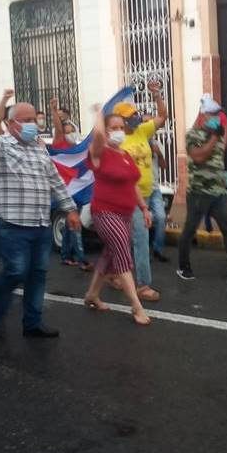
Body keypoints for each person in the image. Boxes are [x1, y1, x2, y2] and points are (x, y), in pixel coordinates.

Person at [0, 98, 81, 339]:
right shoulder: (0, 146)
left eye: (33, 119)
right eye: (26, 120)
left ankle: (32, 323)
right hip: (10, 223)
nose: (32, 124)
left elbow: (55, 179)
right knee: (16, 271)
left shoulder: (39, 146)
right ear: (10, 124)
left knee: (38, 273)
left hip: (40, 223)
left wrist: (70, 209)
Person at [82, 113, 152, 325]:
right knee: (121, 251)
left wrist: (144, 207)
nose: (119, 131)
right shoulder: (99, 153)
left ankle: (92, 294)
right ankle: (136, 306)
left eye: (121, 127)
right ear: (106, 130)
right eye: (114, 127)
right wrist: (98, 115)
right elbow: (97, 139)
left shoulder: (125, 155)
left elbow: (133, 185)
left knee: (110, 253)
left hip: (126, 213)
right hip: (104, 212)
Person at [177, 98, 227, 282]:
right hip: (198, 193)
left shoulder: (219, 136)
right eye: (213, 115)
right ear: (203, 115)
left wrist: (221, 131)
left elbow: (219, 157)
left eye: (217, 115)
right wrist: (213, 136)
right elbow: (198, 157)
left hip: (219, 193)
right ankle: (183, 267)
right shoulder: (192, 135)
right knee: (189, 230)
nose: (217, 118)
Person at [117, 81, 167, 302]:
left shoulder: (142, 131)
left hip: (148, 192)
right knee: (140, 237)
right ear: (120, 121)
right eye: (131, 116)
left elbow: (162, 116)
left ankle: (111, 273)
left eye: (135, 113)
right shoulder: (118, 140)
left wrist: (156, 95)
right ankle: (143, 285)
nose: (136, 117)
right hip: (130, 197)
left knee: (124, 238)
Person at [49, 96, 92, 271]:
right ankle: (82, 260)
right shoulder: (59, 144)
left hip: (76, 190)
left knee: (69, 224)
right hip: (66, 191)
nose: (68, 133)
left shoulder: (77, 151)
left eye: (70, 130)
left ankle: (66, 256)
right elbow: (59, 130)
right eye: (65, 131)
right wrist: (53, 111)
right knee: (75, 224)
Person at [148, 138, 168, 261]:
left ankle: (158, 249)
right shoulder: (135, 141)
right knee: (139, 222)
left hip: (154, 189)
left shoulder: (157, 144)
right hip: (138, 189)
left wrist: (159, 153)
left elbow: (164, 166)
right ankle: (142, 251)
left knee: (161, 217)